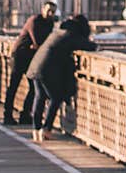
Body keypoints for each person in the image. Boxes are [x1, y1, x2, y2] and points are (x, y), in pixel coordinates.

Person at [25, 13, 96, 142]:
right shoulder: (70, 35)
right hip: (46, 69)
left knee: (40, 97)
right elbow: (89, 46)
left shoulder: (59, 32)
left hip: (36, 66)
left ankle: (36, 129)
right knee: (55, 97)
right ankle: (46, 129)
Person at [3, 1, 57, 125]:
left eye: (53, 12)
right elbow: (39, 42)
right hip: (20, 55)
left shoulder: (50, 23)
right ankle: (7, 115)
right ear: (42, 9)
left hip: (31, 58)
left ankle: (25, 115)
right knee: (14, 86)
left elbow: (43, 44)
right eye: (48, 10)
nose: (50, 14)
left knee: (34, 88)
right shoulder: (34, 21)